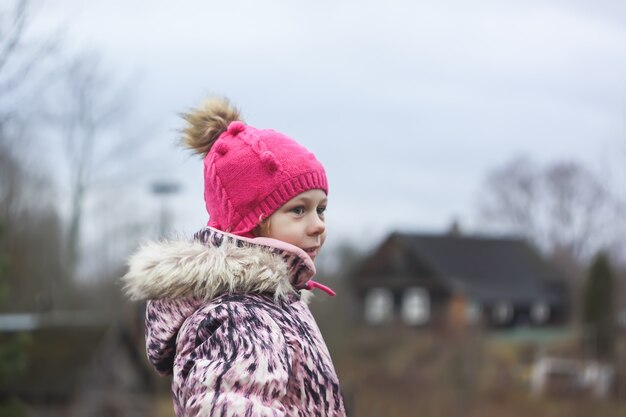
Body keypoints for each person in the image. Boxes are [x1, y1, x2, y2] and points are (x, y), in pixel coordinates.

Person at [122, 97, 347, 416]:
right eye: (298, 210)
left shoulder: (271, 305)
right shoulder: (239, 318)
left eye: (321, 209)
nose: (318, 225)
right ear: (250, 224)